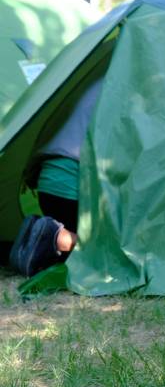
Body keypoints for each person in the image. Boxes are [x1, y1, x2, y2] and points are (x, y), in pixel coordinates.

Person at [7, 78, 103, 276]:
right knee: (104, 248)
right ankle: (55, 235)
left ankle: (39, 234)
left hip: (47, 183)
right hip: (69, 191)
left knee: (66, 259)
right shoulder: (114, 92)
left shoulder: (84, 86)